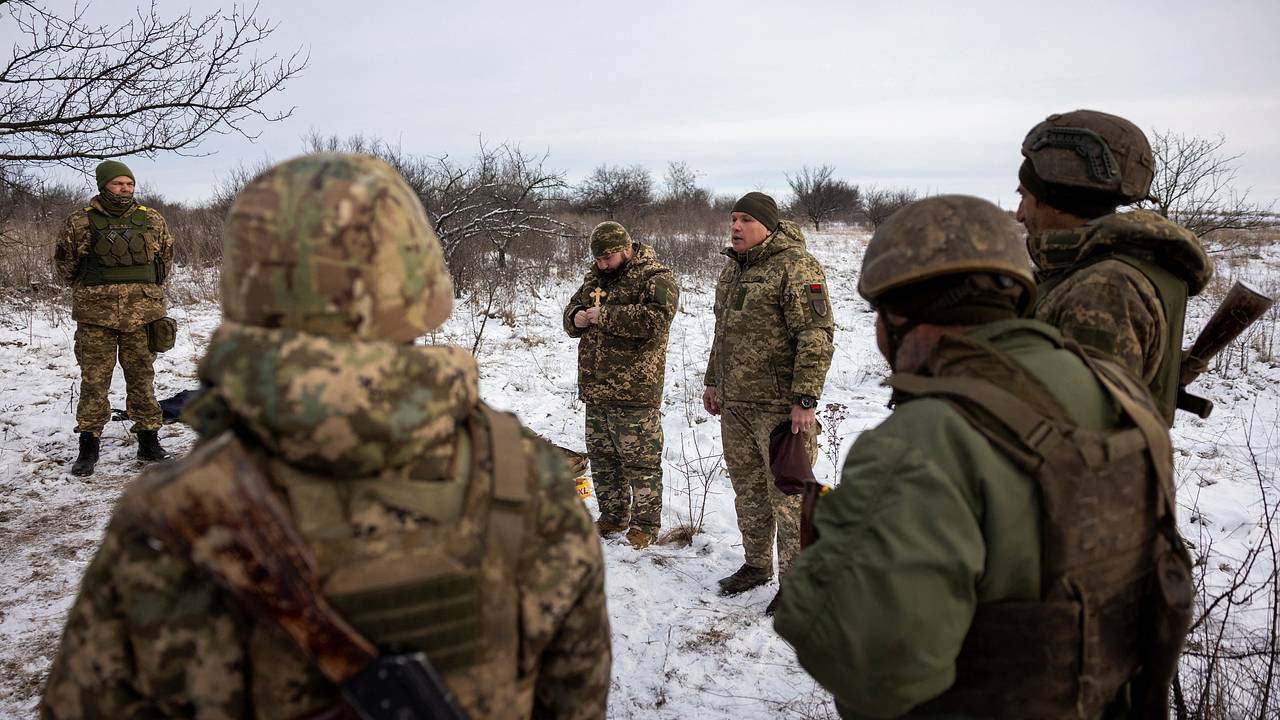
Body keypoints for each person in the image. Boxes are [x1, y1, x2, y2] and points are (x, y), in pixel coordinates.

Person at [41, 154, 612, 720]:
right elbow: (575, 702)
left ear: (248, 287)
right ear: (418, 283)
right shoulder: (532, 482)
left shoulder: (167, 522)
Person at [775, 195, 1190, 718]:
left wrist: (834, 544)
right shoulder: (1123, 395)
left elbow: (870, 670)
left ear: (899, 315)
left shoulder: (923, 441)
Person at [1016, 109, 1212, 424]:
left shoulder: (1103, 289)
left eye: (1023, 196)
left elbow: (1076, 440)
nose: (1019, 215)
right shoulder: (1119, 266)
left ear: (1054, 199)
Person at [702, 192, 834, 598]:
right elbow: (722, 331)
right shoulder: (734, 270)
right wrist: (713, 380)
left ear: (768, 225)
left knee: (788, 499)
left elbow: (816, 335)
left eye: (745, 220)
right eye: (732, 219)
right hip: (737, 404)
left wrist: (805, 398)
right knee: (749, 491)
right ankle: (757, 566)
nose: (735, 227)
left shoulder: (796, 266)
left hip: (780, 408)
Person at [54, 160, 175, 475]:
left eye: (129, 184)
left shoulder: (152, 220)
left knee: (142, 379)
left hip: (143, 314)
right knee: (94, 382)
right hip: (97, 317)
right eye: (118, 183)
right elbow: (65, 266)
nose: (125, 189)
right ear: (103, 185)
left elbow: (165, 261)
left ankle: (149, 443)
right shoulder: (80, 222)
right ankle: (88, 448)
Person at [564, 221, 679, 549]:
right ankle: (613, 515)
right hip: (596, 388)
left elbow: (656, 321)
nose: (602, 265)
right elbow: (571, 310)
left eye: (608, 258)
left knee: (640, 460)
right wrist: (576, 318)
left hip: (634, 390)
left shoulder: (655, 278)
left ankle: (646, 524)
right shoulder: (594, 278)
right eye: (598, 259)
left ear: (626, 249)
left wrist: (606, 316)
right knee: (602, 458)